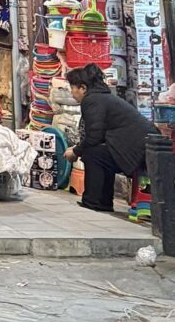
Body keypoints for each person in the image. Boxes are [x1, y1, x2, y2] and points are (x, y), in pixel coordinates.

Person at [64, 63, 157, 213]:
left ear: (83, 88)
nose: (72, 93)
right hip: (141, 147)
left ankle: (94, 202)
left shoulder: (92, 100)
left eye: (72, 88)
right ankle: (103, 202)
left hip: (137, 151)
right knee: (99, 154)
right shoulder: (102, 98)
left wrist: (76, 151)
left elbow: (94, 137)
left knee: (92, 154)